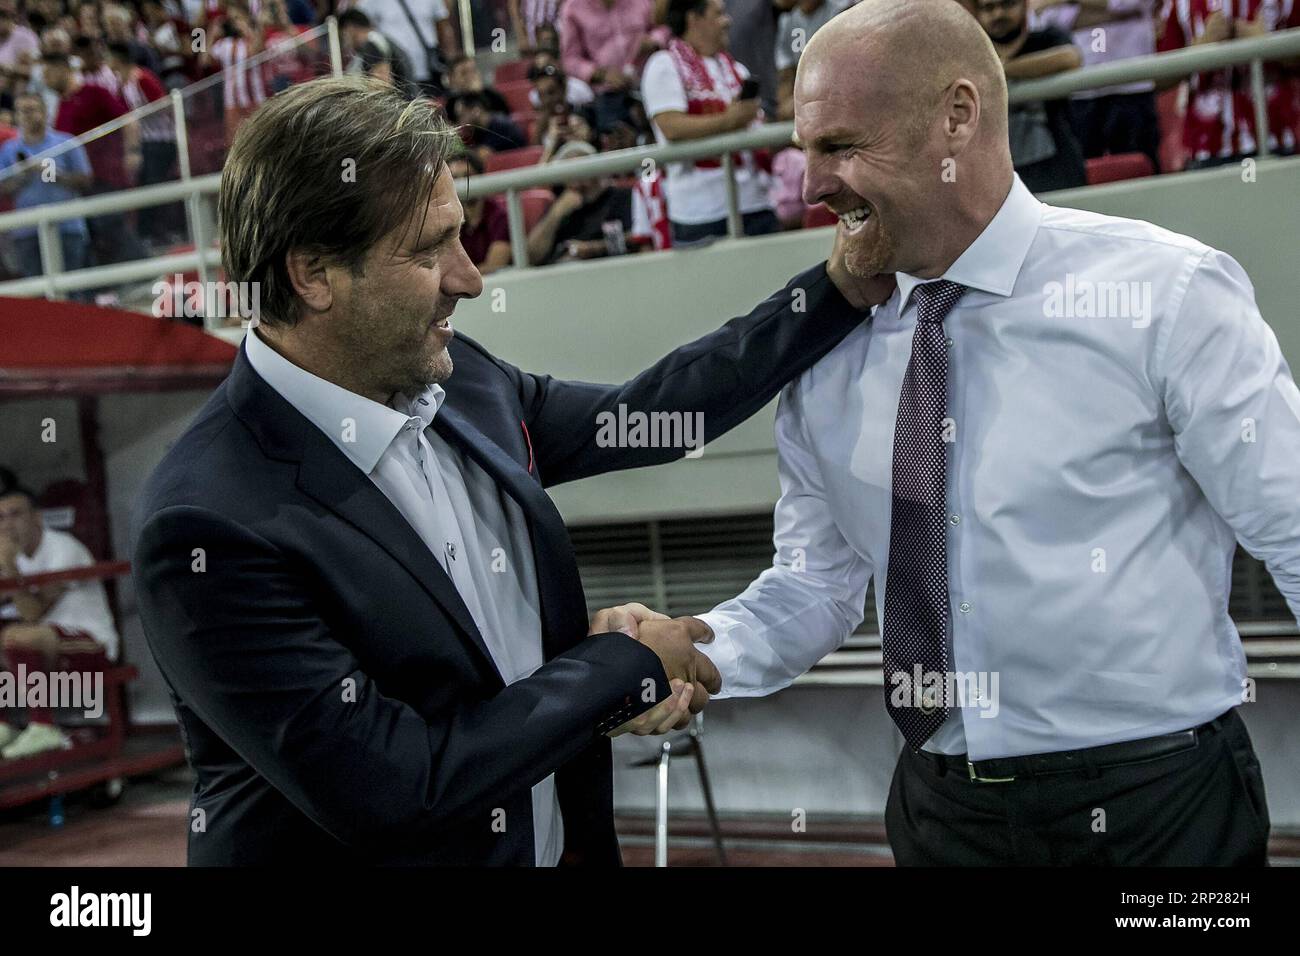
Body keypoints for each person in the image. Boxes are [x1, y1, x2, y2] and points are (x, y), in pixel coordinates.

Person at [130, 74, 890, 867]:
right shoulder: (206, 523)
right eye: (429, 250)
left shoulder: (466, 383)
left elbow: (658, 416)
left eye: (462, 235)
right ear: (313, 273)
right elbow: (398, 787)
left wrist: (833, 294)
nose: (471, 277)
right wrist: (626, 666)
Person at [659, 0, 1296, 866]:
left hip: (1160, 814)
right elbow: (817, 585)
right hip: (939, 814)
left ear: (957, 115)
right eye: (805, 151)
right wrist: (697, 651)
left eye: (842, 146)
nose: (811, 186)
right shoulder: (826, 352)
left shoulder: (1164, 293)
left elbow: (1290, 526)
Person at [0, 472, 120, 761]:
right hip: (49, 645)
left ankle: (44, 727)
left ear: (37, 518)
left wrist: (9, 569)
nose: (8, 524)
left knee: (20, 634)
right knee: (13, 636)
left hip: (92, 644)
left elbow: (33, 613)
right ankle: (3, 724)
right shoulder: (13, 554)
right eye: (1, 518)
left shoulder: (63, 548)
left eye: (16, 515)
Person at [641, 0, 777, 245]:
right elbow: (671, 127)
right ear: (694, 19)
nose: (728, 20)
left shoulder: (737, 69)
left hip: (756, 202)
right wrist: (729, 120)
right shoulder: (663, 65)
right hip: (701, 212)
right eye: (719, 14)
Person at [1030, 0, 1163, 172]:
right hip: (1080, 91)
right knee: (1082, 172)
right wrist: (1112, 10)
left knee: (1142, 168)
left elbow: (1135, 3)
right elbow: (1049, 22)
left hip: (1132, 86)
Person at [974, 0, 1086, 192]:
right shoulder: (972, 52)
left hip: (1057, 166)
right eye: (989, 7)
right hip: (996, 172)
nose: (998, 14)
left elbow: (1071, 58)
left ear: (1025, 5)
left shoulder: (1046, 38)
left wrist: (1003, 69)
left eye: (1006, 4)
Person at [0, 91, 92, 279]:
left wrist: (52, 173)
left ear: (44, 112)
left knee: (72, 286)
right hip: (27, 230)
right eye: (21, 111)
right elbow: (3, 188)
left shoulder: (66, 142)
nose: (26, 115)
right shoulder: (9, 149)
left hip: (67, 226)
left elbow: (86, 180)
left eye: (31, 110)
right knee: (38, 295)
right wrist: (22, 175)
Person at [524, 139, 646, 264]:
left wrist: (591, 249)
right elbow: (531, 256)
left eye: (580, 169)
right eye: (569, 172)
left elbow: (639, 237)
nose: (576, 178)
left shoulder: (622, 197)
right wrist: (555, 215)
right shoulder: (560, 206)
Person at [449, 149, 512, 273]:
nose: (462, 184)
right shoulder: (450, 219)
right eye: (455, 178)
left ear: (481, 177)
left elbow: (494, 267)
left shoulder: (499, 216)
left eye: (467, 177)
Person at [339, 7, 417, 97]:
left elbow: (381, 84)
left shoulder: (372, 43)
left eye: (343, 34)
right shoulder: (377, 41)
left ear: (350, 28)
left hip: (399, 104)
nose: (344, 41)